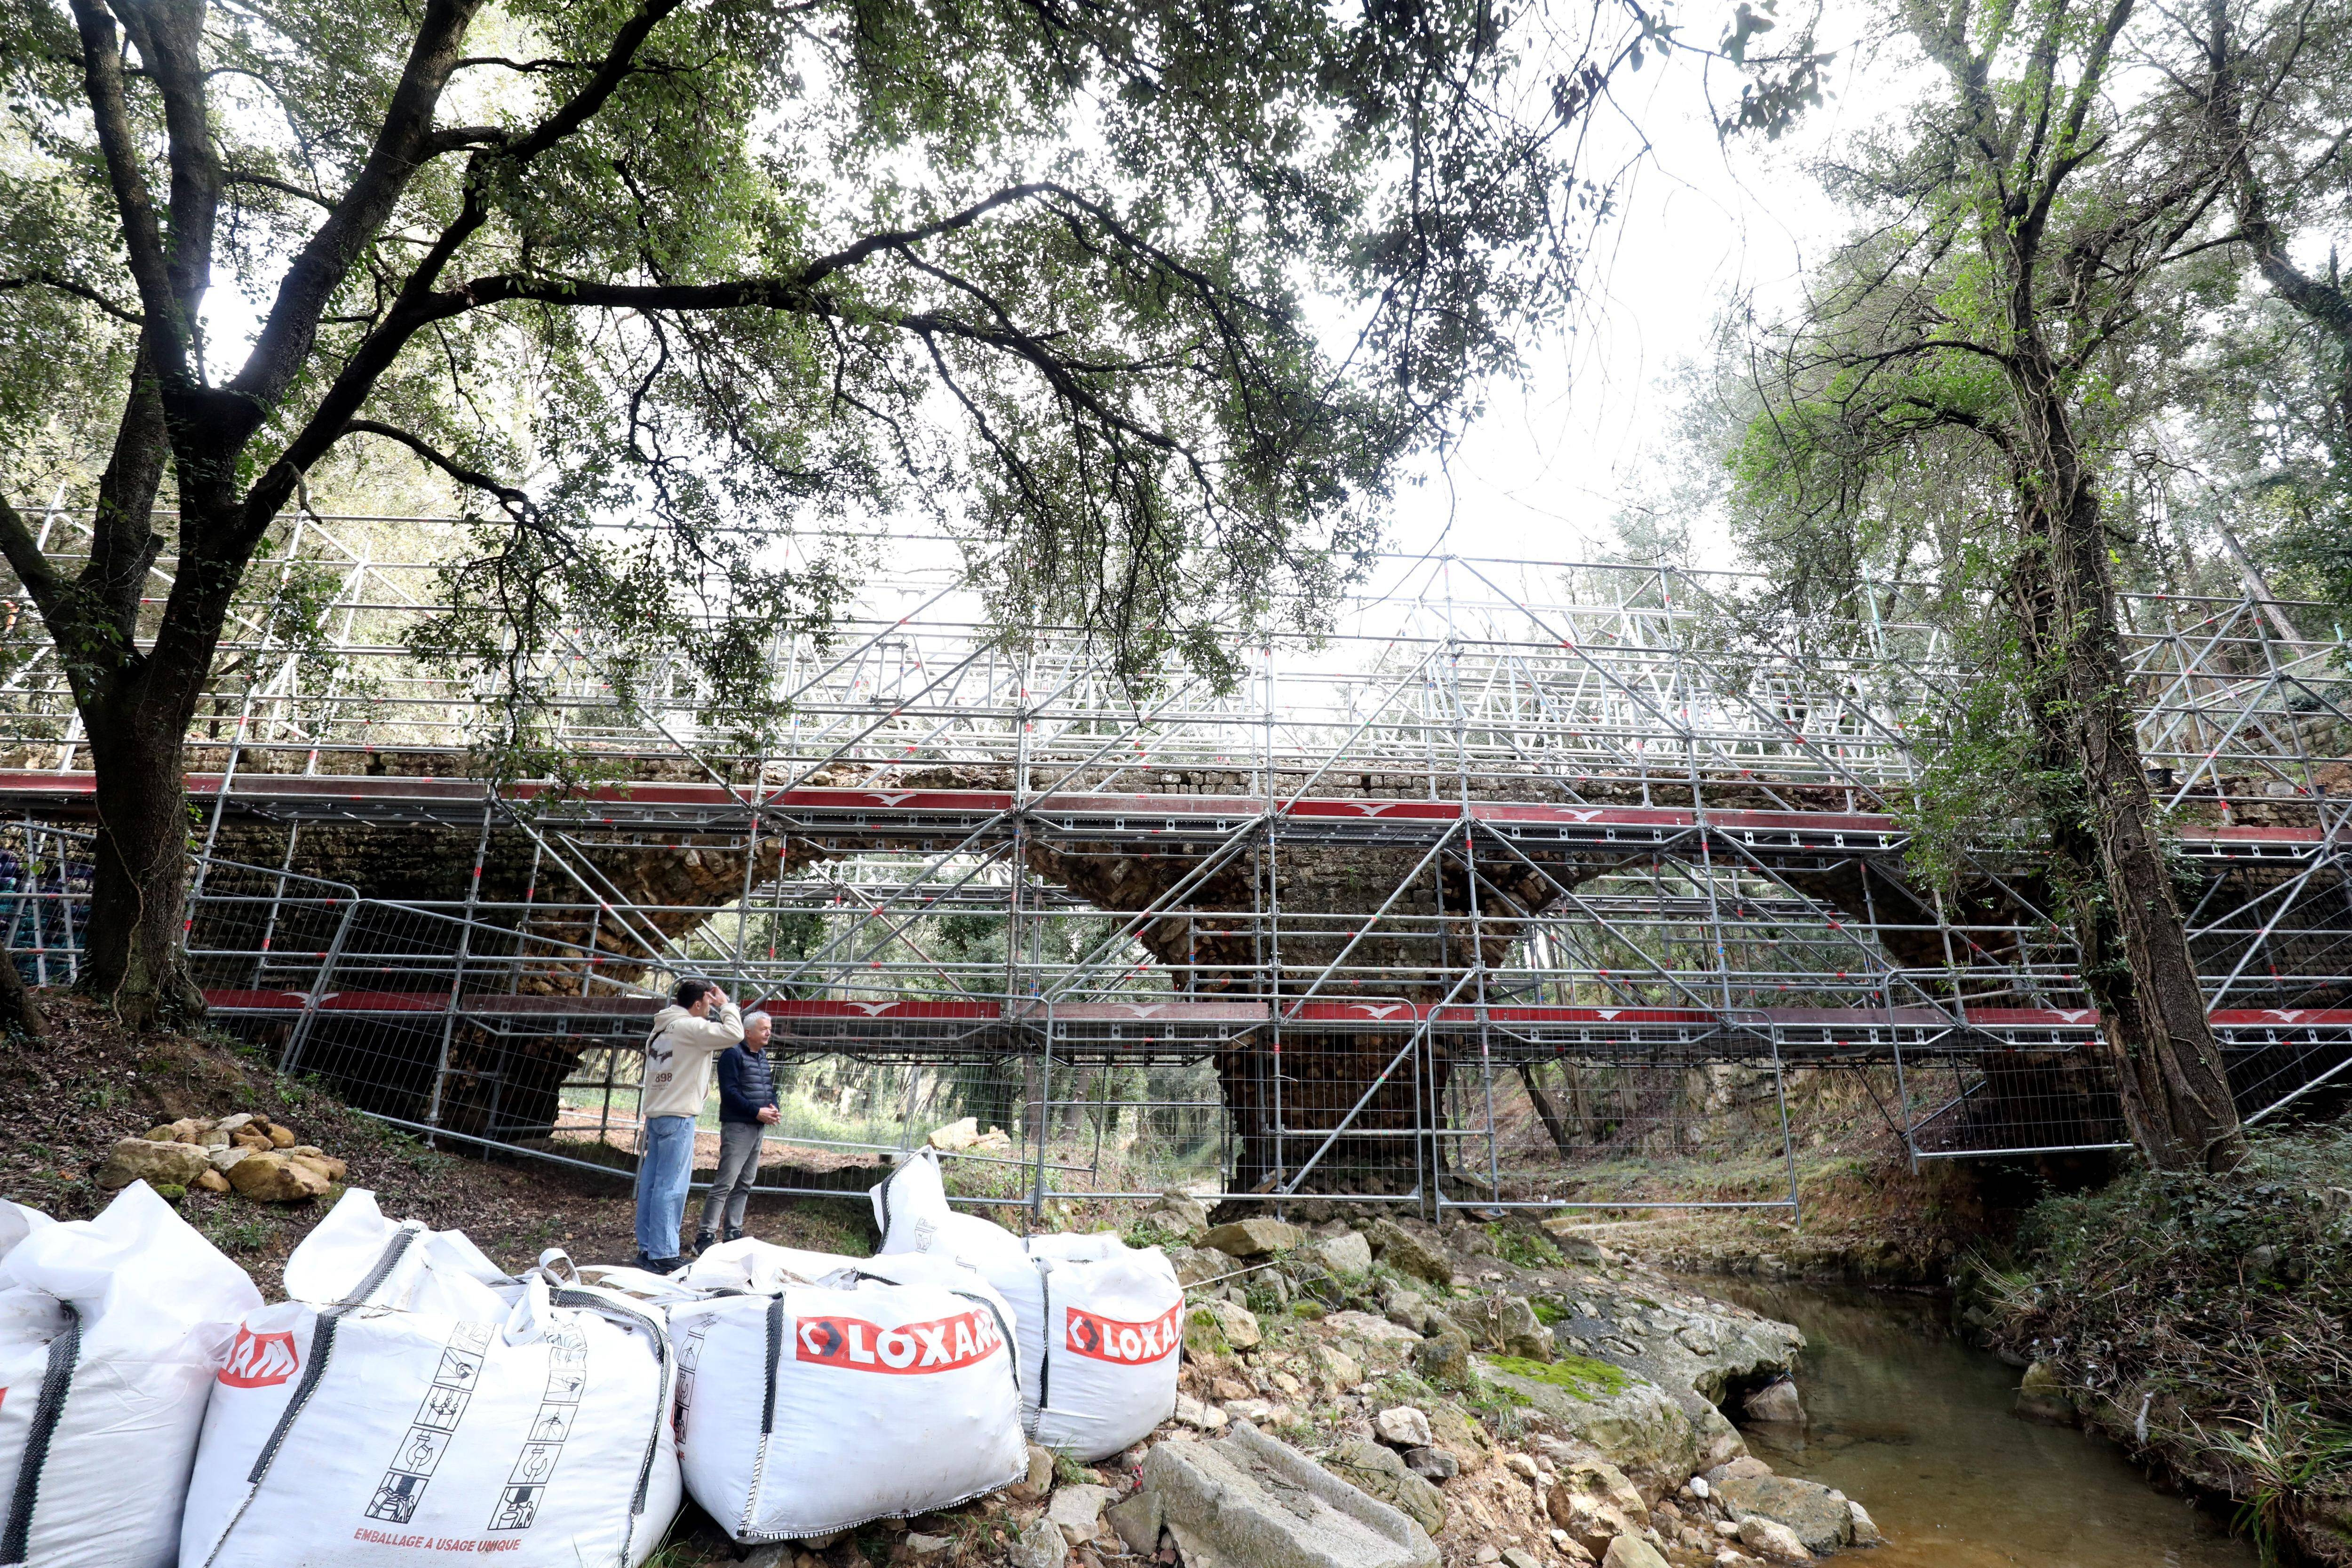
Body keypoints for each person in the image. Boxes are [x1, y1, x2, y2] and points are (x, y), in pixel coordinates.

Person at [633, 977, 741, 1272]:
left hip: (657, 1113)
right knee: (672, 1186)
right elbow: (734, 1033)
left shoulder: (661, 1028)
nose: (710, 1010)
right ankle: (664, 1252)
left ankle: (647, 1248)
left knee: (652, 1185)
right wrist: (727, 1005)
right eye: (708, 1004)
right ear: (698, 1003)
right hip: (679, 1115)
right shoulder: (691, 1027)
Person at [696, 1010, 780, 1251]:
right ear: (748, 1032)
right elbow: (730, 1093)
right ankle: (705, 1236)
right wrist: (756, 1111)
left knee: (745, 1182)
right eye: (764, 1029)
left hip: (757, 1126)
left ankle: (733, 1231)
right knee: (726, 1183)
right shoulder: (732, 1056)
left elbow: (768, 1088)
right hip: (739, 1127)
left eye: (769, 1028)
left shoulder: (761, 1056)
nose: (768, 1032)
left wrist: (774, 1107)